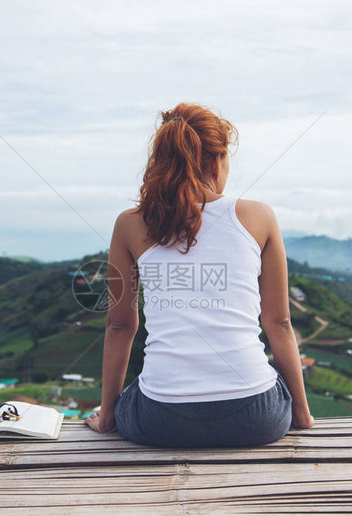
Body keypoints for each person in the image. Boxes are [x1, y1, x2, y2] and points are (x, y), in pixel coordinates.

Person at [85, 102, 314, 447]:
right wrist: (301, 414)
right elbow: (279, 322)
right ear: (216, 160)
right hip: (257, 417)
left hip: (161, 420)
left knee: (138, 391)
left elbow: (120, 325)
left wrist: (107, 417)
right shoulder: (260, 216)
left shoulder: (129, 224)